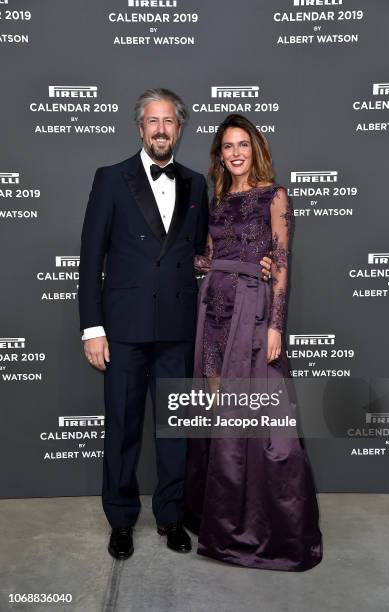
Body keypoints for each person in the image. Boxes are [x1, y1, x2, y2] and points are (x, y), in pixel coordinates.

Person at [78, 91, 272, 560]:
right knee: (122, 427)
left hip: (179, 327)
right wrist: (92, 328)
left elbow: (207, 252)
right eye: (152, 121)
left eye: (169, 122)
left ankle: (170, 515)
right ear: (140, 128)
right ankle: (121, 520)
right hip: (122, 329)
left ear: (179, 130)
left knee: (176, 427)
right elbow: (90, 260)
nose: (161, 129)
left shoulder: (194, 184)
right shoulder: (110, 179)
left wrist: (254, 262)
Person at [185, 114, 323, 571]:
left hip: (254, 311)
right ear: (220, 155)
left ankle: (272, 530)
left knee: (266, 421)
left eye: (243, 144)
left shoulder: (274, 196)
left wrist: (276, 326)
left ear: (256, 149)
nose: (236, 153)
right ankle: (222, 523)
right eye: (228, 147)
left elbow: (281, 261)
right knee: (220, 408)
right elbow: (209, 255)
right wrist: (200, 266)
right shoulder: (219, 200)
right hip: (214, 311)